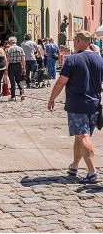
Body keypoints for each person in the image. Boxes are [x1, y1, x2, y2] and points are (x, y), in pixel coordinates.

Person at [48, 30, 103, 184]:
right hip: (94, 104)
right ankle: (74, 166)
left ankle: (92, 173)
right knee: (80, 136)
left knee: (83, 136)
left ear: (79, 41)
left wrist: (52, 99)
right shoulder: (99, 59)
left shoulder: (73, 59)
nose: (73, 43)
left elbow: (61, 82)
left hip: (77, 105)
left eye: (74, 40)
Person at [6, 37, 26, 101]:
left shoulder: (8, 49)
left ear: (10, 42)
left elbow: (7, 60)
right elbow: (23, 59)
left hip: (11, 66)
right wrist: (24, 67)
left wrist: (6, 69)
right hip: (18, 65)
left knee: (12, 81)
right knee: (19, 80)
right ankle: (22, 94)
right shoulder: (20, 49)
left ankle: (13, 96)